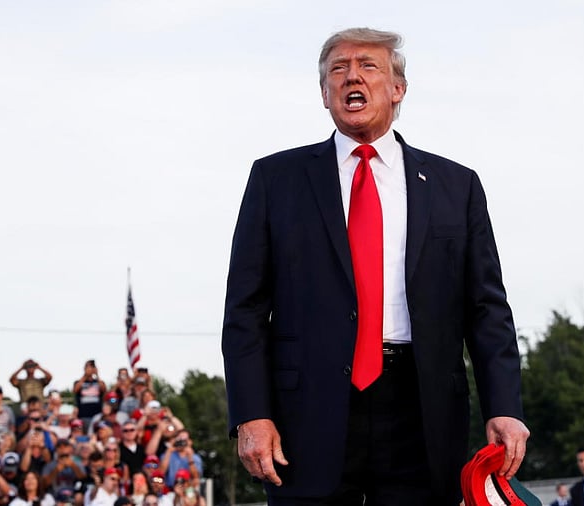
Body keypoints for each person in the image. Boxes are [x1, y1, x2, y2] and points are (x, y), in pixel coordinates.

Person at [222, 27, 529, 505]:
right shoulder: (275, 180)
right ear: (325, 94)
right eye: (338, 70)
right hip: (306, 414)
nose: (351, 77)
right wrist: (251, 414)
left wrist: (505, 407)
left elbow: (487, 307)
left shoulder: (456, 186)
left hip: (422, 411)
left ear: (397, 89)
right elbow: (244, 310)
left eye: (368, 66)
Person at [73, 362, 105, 427]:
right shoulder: (79, 382)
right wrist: (85, 375)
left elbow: (103, 389)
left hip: (97, 414)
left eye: (92, 367)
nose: (90, 369)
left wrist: (97, 374)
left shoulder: (98, 382)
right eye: (88, 367)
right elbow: (75, 390)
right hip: (84, 414)